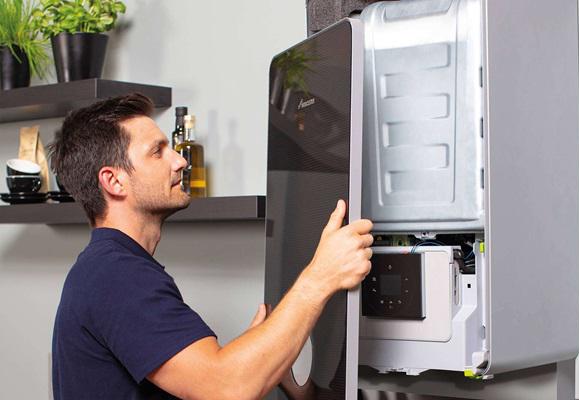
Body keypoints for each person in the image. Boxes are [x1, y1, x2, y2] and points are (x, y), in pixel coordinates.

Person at [49, 93, 373, 400]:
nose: (180, 161)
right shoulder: (117, 276)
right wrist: (320, 278)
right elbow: (225, 389)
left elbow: (209, 381)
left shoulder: (106, 268)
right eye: (157, 152)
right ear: (114, 181)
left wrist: (264, 356)